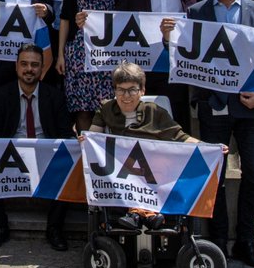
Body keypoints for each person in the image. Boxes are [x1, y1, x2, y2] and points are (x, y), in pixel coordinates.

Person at [185, 0, 254, 268]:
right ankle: (219, 238)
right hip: (214, 106)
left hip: (250, 106)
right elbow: (189, 58)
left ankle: (246, 240)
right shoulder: (196, 11)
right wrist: (200, 99)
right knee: (216, 175)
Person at [82, 62, 225, 230]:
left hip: (154, 172)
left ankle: (140, 213)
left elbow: (180, 137)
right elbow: (93, 136)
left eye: (132, 90)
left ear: (142, 91)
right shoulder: (106, 109)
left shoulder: (155, 112)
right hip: (122, 173)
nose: (126, 96)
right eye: (121, 90)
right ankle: (146, 214)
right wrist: (85, 139)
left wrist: (210, 148)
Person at [0, 42, 75, 251]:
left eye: (34, 65)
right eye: (24, 64)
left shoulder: (55, 96)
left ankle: (55, 228)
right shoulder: (0, 95)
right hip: (12, 155)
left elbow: (65, 133)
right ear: (16, 67)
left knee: (71, 162)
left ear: (42, 68)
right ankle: (0, 227)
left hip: (46, 155)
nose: (29, 69)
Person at [116, 0, 211, 130]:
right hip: (146, 67)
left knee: (180, 123)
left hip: (182, 65)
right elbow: (119, 23)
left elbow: (211, 13)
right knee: (146, 123)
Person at [58, 0, 127, 131]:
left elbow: (124, 16)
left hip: (108, 52)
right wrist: (61, 54)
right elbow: (65, 17)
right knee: (83, 109)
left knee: (110, 107)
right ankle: (87, 154)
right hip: (79, 51)